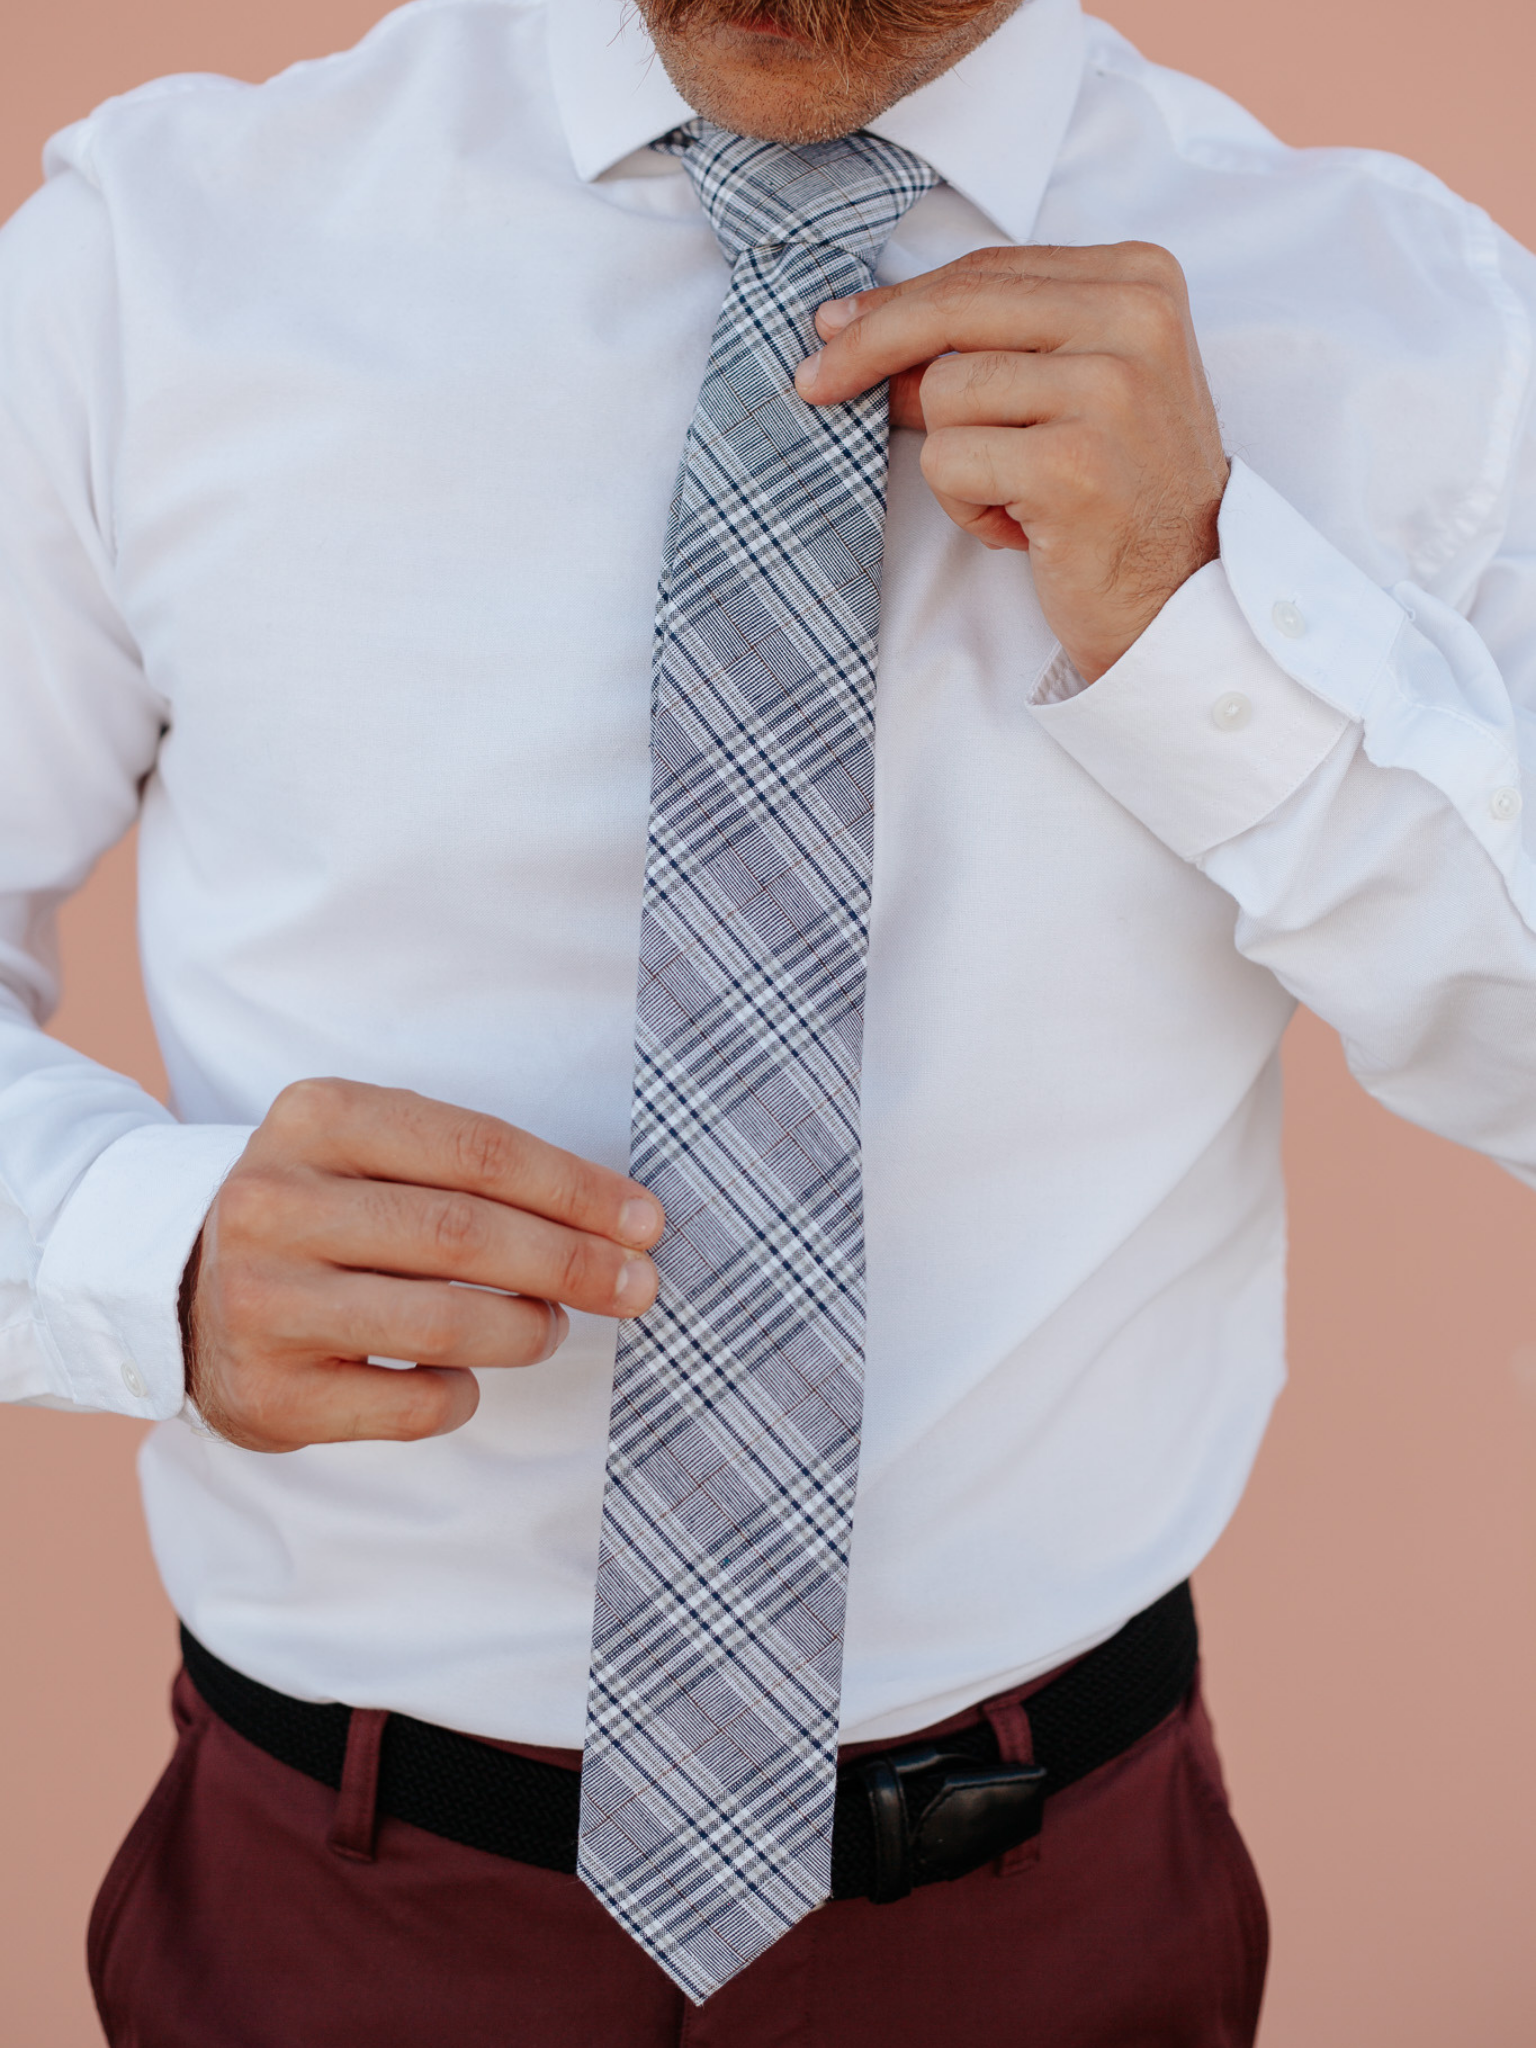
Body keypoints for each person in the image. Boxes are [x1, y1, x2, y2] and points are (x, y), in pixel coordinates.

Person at [2, 0, 1533, 2037]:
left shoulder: (1402, 326)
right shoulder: (158, 255)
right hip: (338, 1908)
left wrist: (1211, 616)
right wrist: (128, 1246)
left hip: (1054, 1912)